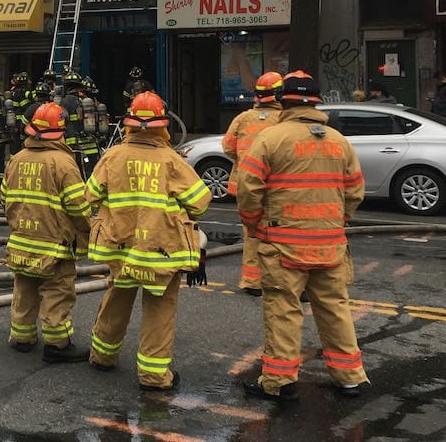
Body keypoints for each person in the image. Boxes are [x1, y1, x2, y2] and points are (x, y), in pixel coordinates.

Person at [237, 71, 369, 401]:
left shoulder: (269, 139)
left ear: (284, 102)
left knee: (283, 312)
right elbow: (354, 192)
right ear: (318, 103)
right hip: (330, 246)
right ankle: (349, 377)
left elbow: (248, 190)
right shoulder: (339, 141)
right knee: (335, 309)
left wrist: (255, 226)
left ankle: (279, 383)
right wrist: (338, 221)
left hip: (283, 246)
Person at [85, 92, 211, 390]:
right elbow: (200, 203)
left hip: (121, 250)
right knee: (159, 308)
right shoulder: (171, 160)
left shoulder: (112, 156)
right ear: (162, 125)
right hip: (161, 252)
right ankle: (154, 376)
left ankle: (102, 356)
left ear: (128, 123)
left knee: (116, 299)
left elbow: (90, 195)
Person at [2, 102, 92, 362]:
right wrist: (90, 230)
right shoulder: (63, 163)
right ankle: (57, 345)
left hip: (22, 240)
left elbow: (5, 200)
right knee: (57, 291)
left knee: (24, 287)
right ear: (61, 131)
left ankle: (22, 337)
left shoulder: (16, 160)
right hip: (55, 244)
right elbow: (78, 207)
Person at [222, 71, 284, 296]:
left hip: (245, 184)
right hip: (274, 185)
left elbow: (228, 147)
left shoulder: (243, 118)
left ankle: (252, 281)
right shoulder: (285, 119)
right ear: (278, 94)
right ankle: (278, 279)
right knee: (280, 234)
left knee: (252, 233)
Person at [60, 71, 89, 176]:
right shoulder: (83, 101)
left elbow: (62, 119)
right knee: (82, 166)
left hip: (70, 139)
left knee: (70, 165)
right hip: (83, 138)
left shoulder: (65, 101)